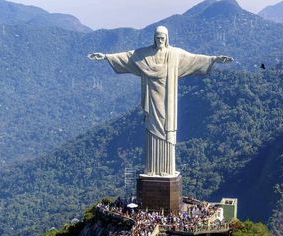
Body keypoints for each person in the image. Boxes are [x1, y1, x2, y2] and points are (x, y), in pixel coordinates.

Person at [88, 26, 233, 176]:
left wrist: (215, 59)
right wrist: (105, 56)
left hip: (168, 102)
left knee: (166, 130)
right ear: (154, 38)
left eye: (162, 38)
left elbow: (194, 59)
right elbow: (127, 57)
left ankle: (167, 169)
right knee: (152, 131)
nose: (160, 40)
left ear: (167, 38)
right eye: (157, 38)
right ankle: (152, 169)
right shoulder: (144, 54)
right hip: (152, 100)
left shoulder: (175, 54)